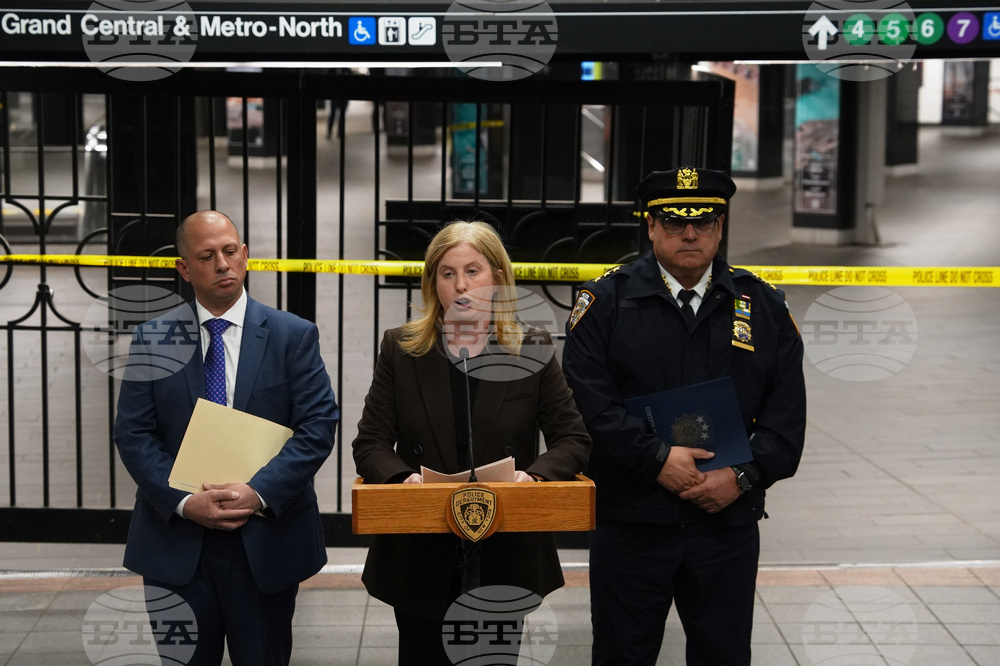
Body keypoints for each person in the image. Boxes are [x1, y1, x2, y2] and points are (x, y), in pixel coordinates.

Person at [563, 166, 806, 665]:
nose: (690, 233)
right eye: (674, 222)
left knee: (724, 654)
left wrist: (742, 475)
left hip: (726, 524)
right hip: (632, 520)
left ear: (720, 226)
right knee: (621, 655)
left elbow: (787, 417)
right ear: (650, 226)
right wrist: (656, 458)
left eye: (704, 221)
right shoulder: (605, 302)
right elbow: (588, 404)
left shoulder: (763, 306)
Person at [352, 221, 591, 665]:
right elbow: (370, 442)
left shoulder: (530, 347)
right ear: (432, 283)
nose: (461, 285)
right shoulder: (402, 349)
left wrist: (533, 476)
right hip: (422, 551)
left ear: (498, 277)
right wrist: (402, 478)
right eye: (447, 273)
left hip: (504, 551)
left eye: (474, 271)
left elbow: (572, 438)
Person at [114, 210, 339, 665]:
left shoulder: (292, 336)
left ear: (246, 256)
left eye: (230, 251)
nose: (223, 264)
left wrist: (258, 492)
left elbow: (318, 426)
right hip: (176, 547)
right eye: (207, 255)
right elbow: (133, 433)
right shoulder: (153, 340)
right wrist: (183, 500)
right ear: (183, 268)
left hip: (264, 543)